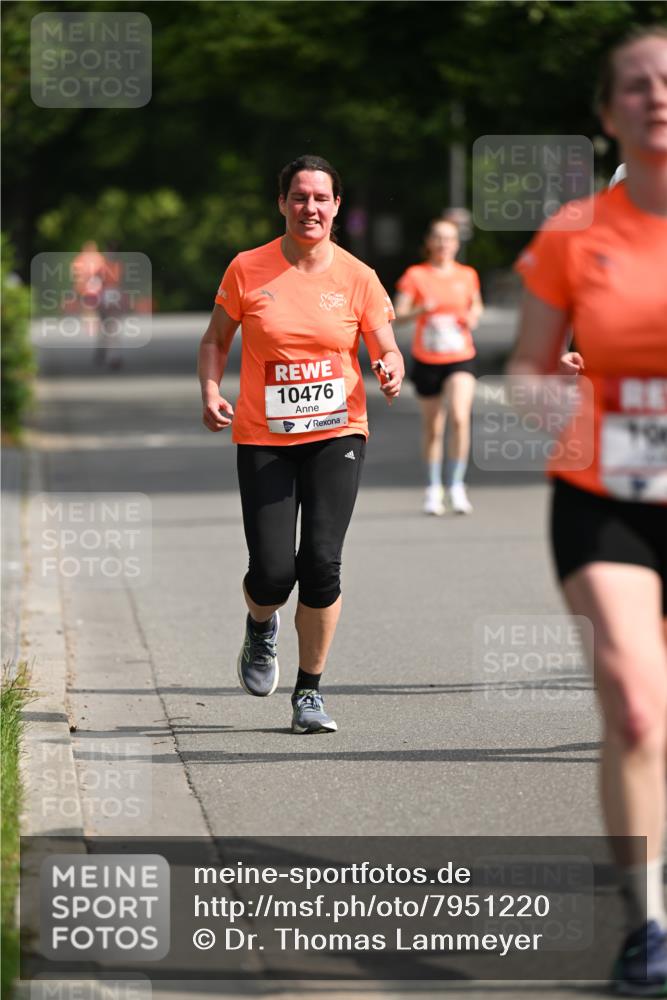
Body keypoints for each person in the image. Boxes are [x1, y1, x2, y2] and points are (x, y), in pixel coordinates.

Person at [510, 26, 667, 994]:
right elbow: (528, 371)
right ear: (608, 113)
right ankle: (646, 923)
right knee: (635, 704)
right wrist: (562, 400)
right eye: (636, 85)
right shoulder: (574, 233)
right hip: (603, 491)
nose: (658, 95)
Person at [198, 154, 404, 734]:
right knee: (271, 573)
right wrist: (211, 389)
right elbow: (215, 340)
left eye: (321, 198)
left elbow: (386, 347)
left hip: (338, 431)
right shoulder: (248, 268)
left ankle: (309, 692)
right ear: (282, 202)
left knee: (320, 563)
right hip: (264, 434)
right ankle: (261, 627)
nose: (309, 208)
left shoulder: (358, 277)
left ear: (337, 207)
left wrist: (390, 368)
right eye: (299, 197)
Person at [394, 218, 483, 515]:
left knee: (459, 416)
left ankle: (457, 485)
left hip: (460, 357)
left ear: (457, 244)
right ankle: (433, 488)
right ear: (429, 242)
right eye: (439, 238)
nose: (444, 244)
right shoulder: (416, 275)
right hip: (427, 359)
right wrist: (421, 310)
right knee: (434, 427)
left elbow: (476, 306)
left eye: (450, 239)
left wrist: (473, 317)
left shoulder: (468, 274)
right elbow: (398, 314)